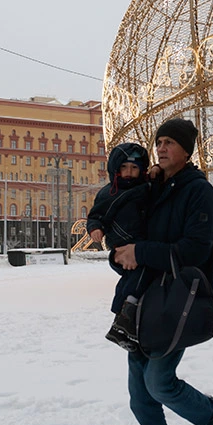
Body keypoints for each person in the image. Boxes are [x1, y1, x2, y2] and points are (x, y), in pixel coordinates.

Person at [113, 118, 213, 425]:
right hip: (142, 301)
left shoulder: (199, 192)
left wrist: (141, 251)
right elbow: (129, 227)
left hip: (176, 302)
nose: (161, 148)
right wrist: (120, 254)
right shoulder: (153, 187)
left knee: (159, 382)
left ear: (186, 149)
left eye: (169, 143)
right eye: (158, 142)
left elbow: (195, 250)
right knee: (139, 395)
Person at [86, 142, 154, 351]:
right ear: (116, 169)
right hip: (122, 244)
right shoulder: (109, 193)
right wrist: (96, 228)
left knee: (132, 278)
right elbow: (96, 214)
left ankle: (122, 316)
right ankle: (125, 311)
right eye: (124, 168)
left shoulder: (147, 189)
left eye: (134, 168)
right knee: (136, 275)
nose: (129, 173)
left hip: (141, 242)